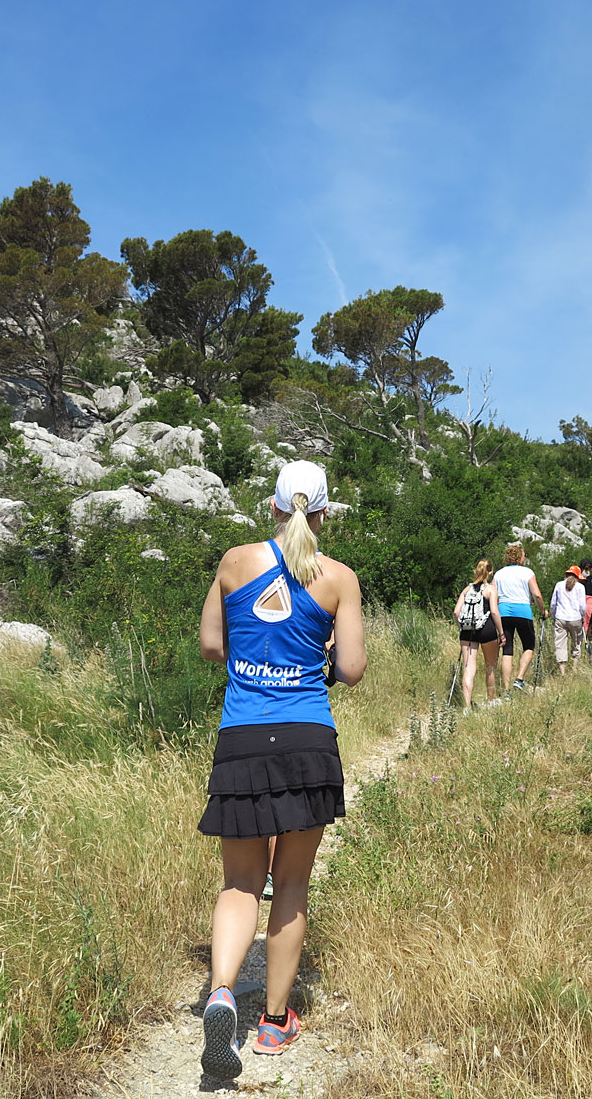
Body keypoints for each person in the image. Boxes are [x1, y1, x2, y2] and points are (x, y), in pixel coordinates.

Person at [196, 460, 366, 1079]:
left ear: (272, 507)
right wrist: (318, 654)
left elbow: (211, 646)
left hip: (241, 737)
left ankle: (221, 994)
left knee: (241, 883)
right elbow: (351, 669)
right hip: (306, 740)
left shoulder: (234, 562)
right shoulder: (338, 578)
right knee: (290, 883)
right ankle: (273, 1022)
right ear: (323, 514)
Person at [453, 558, 505, 710]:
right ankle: (491, 700)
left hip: (467, 631)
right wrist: (501, 633)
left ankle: (466, 707)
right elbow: (494, 612)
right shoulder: (491, 590)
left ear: (475, 571)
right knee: (490, 666)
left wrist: (462, 627)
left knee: (469, 668)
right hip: (486, 629)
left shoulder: (466, 590)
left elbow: (456, 612)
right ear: (490, 572)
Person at [494, 542, 545, 692]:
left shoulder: (499, 574)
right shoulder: (527, 572)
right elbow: (537, 595)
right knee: (529, 646)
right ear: (520, 557)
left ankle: (506, 689)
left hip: (504, 612)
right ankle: (519, 679)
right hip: (523, 611)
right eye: (524, 555)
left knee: (507, 650)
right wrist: (543, 611)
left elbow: (492, 593)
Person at [550, 565, 587, 676]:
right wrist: (582, 616)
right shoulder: (580, 587)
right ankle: (574, 669)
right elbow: (582, 606)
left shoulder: (559, 585)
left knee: (560, 644)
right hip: (575, 618)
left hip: (561, 617)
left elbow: (553, 603)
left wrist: (553, 616)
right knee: (576, 643)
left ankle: (563, 672)